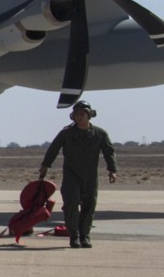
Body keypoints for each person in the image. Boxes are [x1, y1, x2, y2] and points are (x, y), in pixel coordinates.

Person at [38, 101, 118, 248]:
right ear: (73, 117)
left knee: (89, 206)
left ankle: (85, 237)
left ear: (89, 115)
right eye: (77, 115)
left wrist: (112, 170)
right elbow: (53, 149)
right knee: (71, 205)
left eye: (82, 114)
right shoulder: (66, 133)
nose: (80, 117)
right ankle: (74, 236)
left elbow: (109, 152)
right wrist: (45, 166)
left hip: (90, 176)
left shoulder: (99, 134)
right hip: (71, 175)